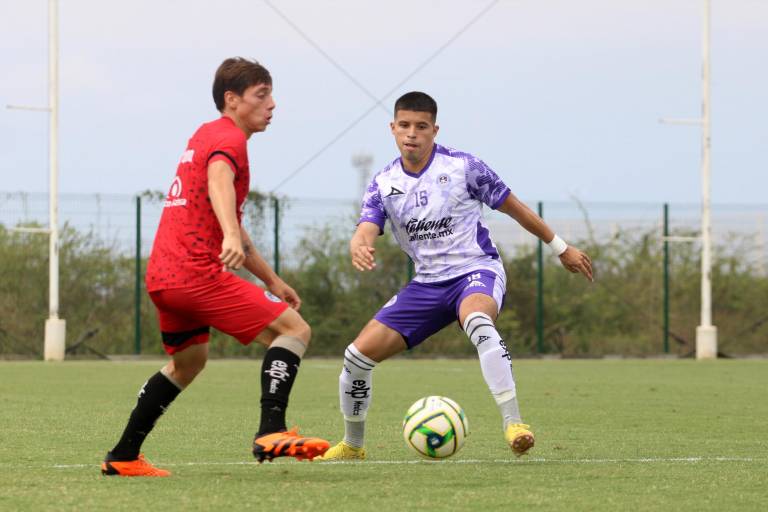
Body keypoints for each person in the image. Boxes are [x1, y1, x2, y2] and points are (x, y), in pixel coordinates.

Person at [318, 91, 593, 461]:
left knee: (478, 321)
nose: (411, 134)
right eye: (404, 126)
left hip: (475, 270)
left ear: (434, 129)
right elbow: (368, 225)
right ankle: (353, 446)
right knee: (356, 357)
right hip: (427, 284)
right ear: (392, 128)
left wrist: (561, 247)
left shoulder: (464, 167)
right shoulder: (383, 182)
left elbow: (515, 207)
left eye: (420, 126)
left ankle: (514, 424)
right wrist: (359, 243)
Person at [101, 57, 329, 477]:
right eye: (262, 95)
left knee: (188, 363)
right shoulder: (229, 139)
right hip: (194, 275)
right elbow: (220, 180)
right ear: (232, 100)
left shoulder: (203, 134)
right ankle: (271, 431)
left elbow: (236, 227)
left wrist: (273, 280)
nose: (273, 104)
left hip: (164, 277)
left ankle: (123, 456)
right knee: (295, 329)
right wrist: (226, 233)